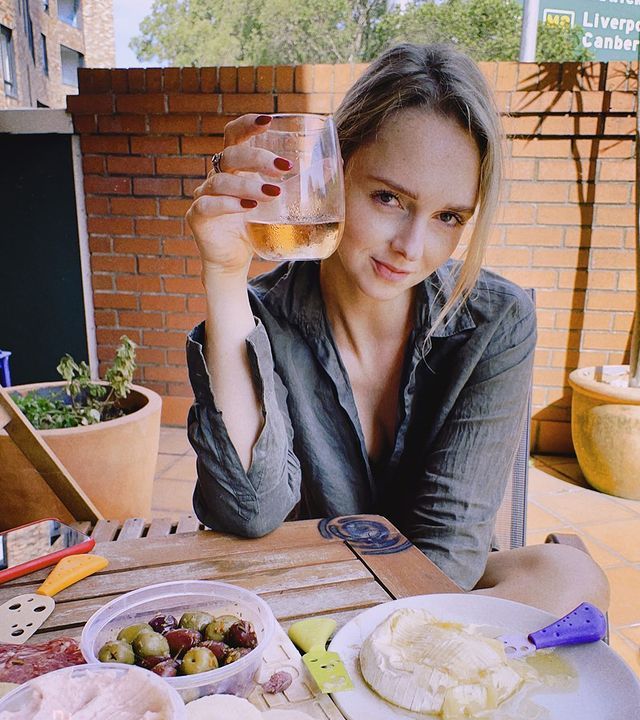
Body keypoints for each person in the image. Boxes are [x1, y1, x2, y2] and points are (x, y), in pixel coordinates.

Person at [184, 42, 609, 617]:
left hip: (422, 593)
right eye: (388, 198)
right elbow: (249, 510)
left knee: (570, 576)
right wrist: (224, 273)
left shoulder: (496, 321)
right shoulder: (257, 318)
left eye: (448, 217)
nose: (411, 247)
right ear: (334, 172)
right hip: (306, 585)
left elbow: (450, 548)